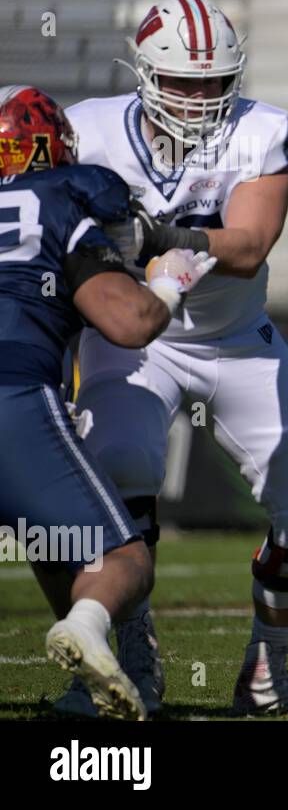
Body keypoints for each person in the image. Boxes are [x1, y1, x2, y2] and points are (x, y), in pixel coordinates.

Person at [43, 0, 288, 717]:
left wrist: (159, 239)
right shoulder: (88, 130)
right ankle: (128, 647)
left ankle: (267, 673)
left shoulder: (262, 129)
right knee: (122, 466)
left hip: (233, 338)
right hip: (132, 340)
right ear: (146, 73)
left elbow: (247, 247)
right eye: (183, 82)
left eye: (214, 83)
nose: (200, 98)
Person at [0, 84, 213, 719]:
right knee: (122, 558)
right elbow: (128, 323)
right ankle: (88, 626)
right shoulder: (60, 197)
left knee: (46, 539)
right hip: (11, 391)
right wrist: (169, 285)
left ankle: (82, 682)